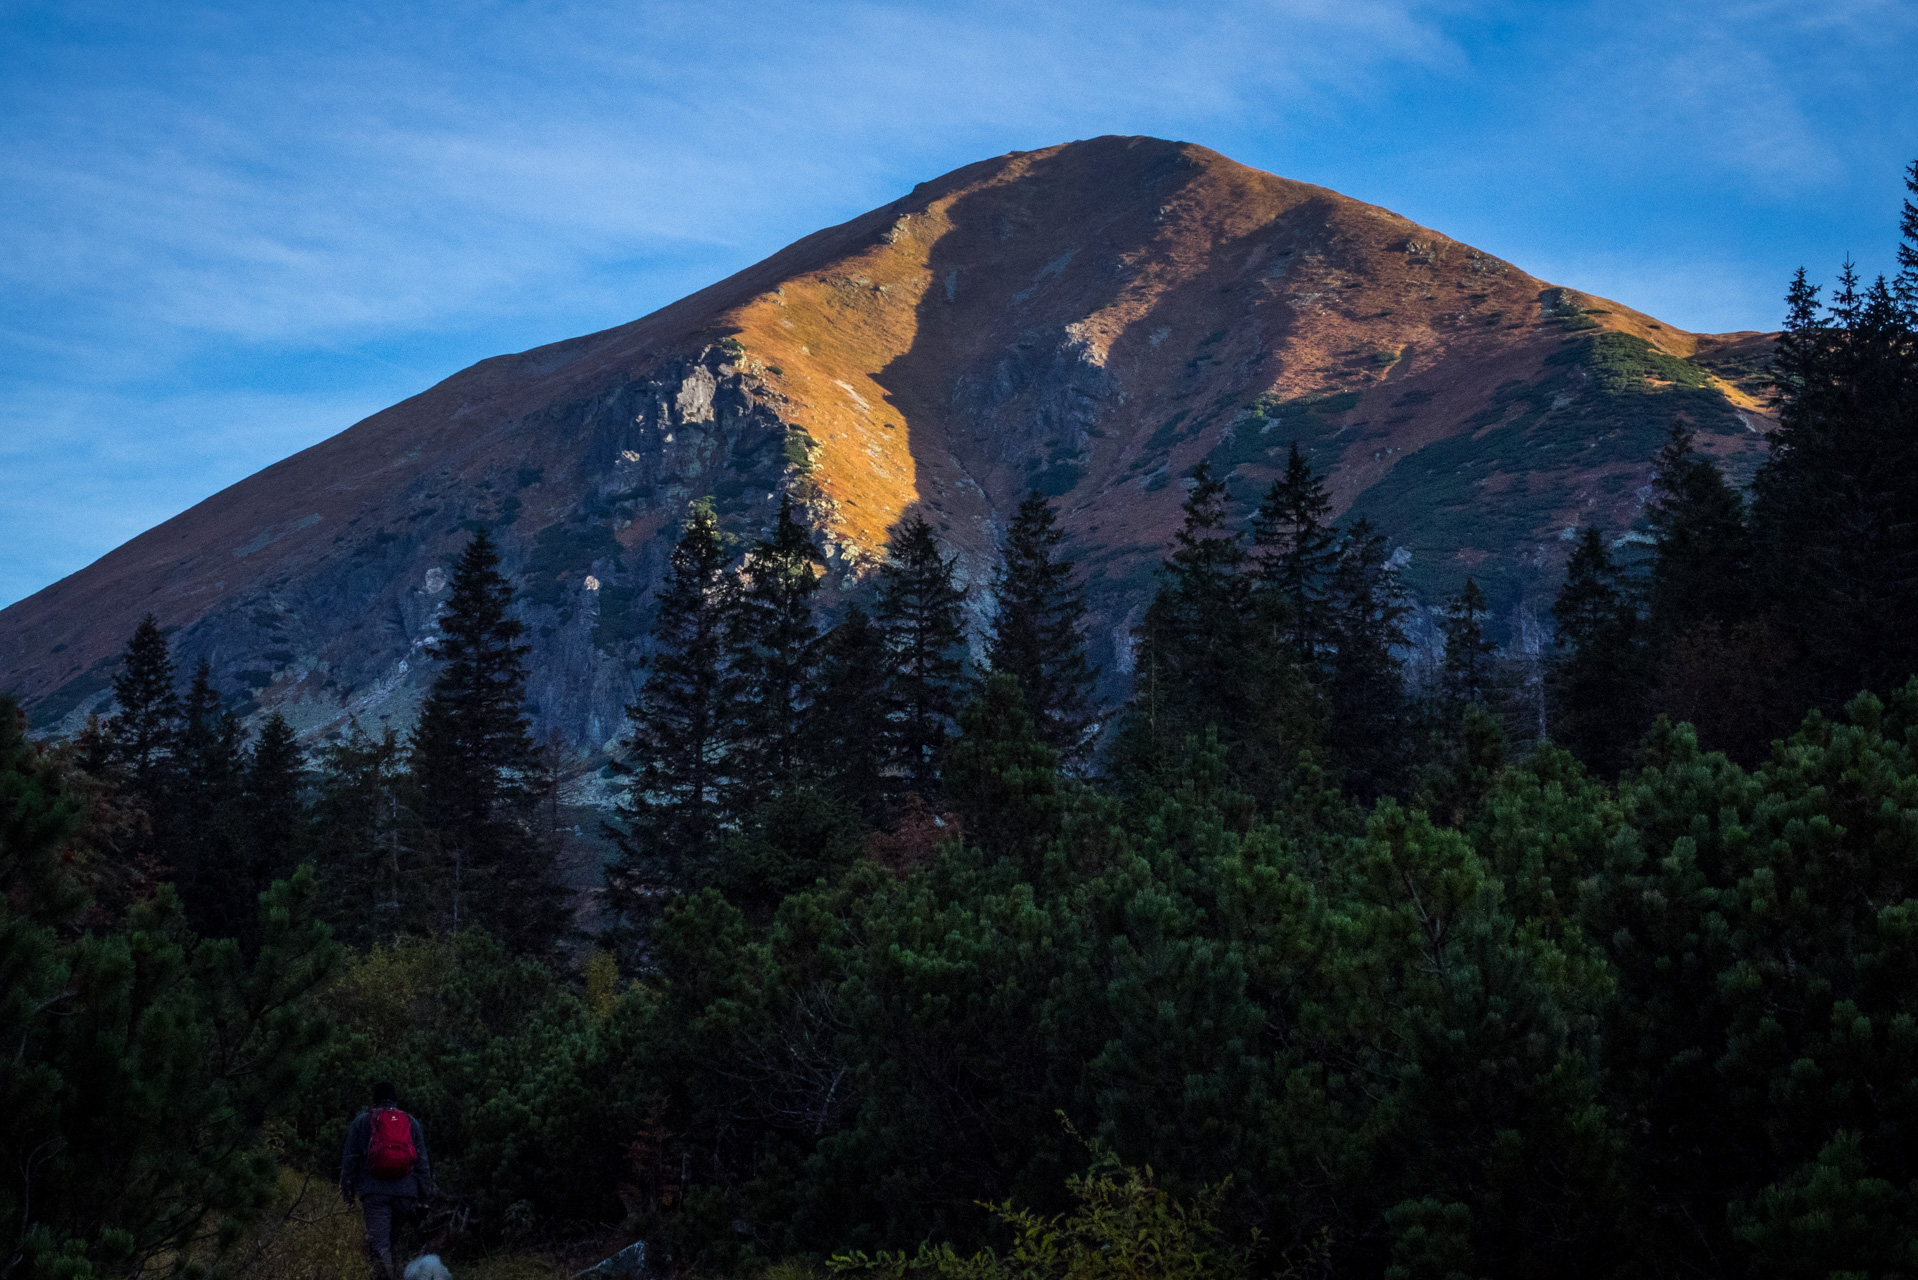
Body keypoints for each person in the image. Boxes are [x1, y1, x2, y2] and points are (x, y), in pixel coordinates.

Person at [340, 1081, 436, 1279]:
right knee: (392, 1243)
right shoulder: (411, 1122)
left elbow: (350, 1159)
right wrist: (424, 1195)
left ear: (374, 1099)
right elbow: (422, 1162)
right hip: (405, 1192)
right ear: (395, 1099)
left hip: (374, 1192)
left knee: (379, 1245)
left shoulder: (362, 1122)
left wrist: (347, 1191)